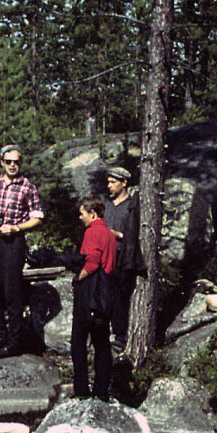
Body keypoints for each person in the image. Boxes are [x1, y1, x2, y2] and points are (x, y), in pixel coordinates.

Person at [0, 144, 44, 358]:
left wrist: (16, 228)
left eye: (17, 162)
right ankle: (0, 335)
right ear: (2, 162)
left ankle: (15, 342)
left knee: (12, 292)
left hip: (12, 242)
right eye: (9, 161)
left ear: (21, 163)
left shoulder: (27, 187)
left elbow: (37, 217)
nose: (13, 165)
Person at [71, 196, 117, 400]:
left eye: (83, 213)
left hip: (90, 292)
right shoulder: (109, 233)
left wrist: (77, 278)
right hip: (106, 294)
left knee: (78, 342)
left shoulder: (92, 232)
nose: (80, 217)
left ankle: (82, 391)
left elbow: (91, 263)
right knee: (102, 344)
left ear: (93, 213)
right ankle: (101, 391)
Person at [104, 166, 141, 351]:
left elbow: (136, 235)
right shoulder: (107, 205)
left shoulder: (132, 206)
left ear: (124, 183)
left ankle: (121, 336)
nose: (109, 186)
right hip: (105, 256)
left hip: (123, 256)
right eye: (108, 182)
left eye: (113, 182)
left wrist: (117, 235)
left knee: (119, 297)